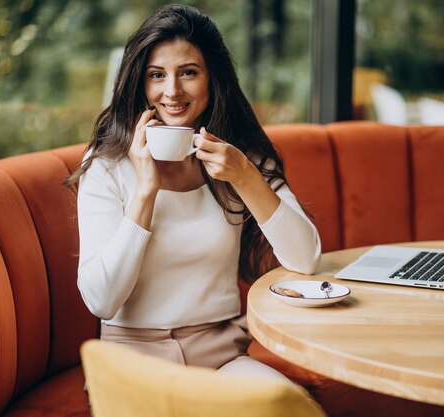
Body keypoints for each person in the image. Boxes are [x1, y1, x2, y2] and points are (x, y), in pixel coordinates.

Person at [66, 4, 321, 379]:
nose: (172, 91)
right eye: (157, 75)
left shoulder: (238, 158)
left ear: (212, 79)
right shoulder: (108, 164)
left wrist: (246, 177)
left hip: (223, 358)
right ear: (140, 83)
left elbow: (307, 258)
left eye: (188, 73)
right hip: (131, 363)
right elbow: (101, 301)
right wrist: (145, 192)